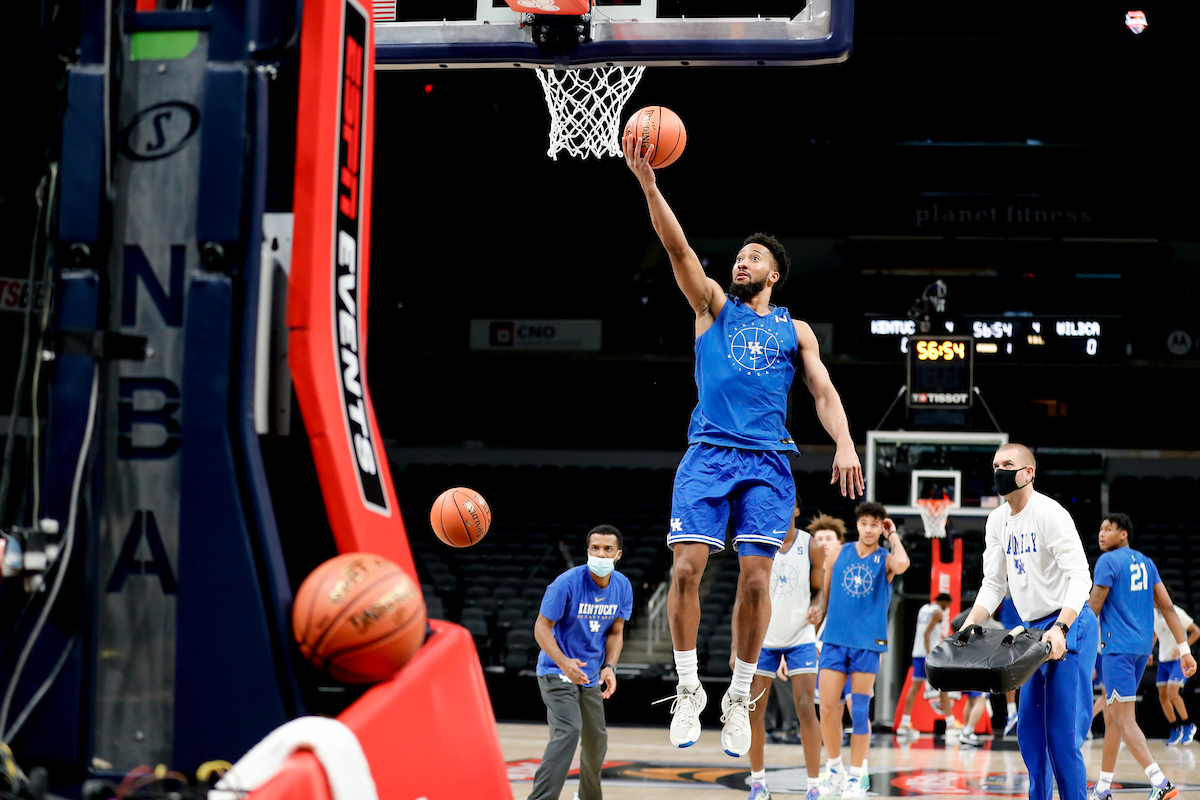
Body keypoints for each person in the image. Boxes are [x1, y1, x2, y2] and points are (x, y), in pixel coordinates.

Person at [623, 132, 864, 758]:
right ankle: (687, 687)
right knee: (684, 569)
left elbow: (824, 393)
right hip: (707, 452)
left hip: (768, 461)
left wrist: (844, 444)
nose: (742, 262)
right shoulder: (710, 307)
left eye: (754, 258)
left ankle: (737, 695)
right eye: (739, 255)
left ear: (774, 274)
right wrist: (650, 185)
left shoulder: (795, 329)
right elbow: (677, 247)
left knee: (756, 580)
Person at [958, 443, 1098, 800]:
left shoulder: (1049, 513)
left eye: (1007, 464)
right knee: (1031, 736)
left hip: (1071, 622)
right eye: (995, 465)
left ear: (1028, 472)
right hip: (1033, 629)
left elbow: (1081, 578)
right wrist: (969, 624)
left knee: (1062, 737)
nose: (999, 470)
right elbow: (993, 585)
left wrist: (1062, 628)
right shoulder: (996, 520)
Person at [1088, 512, 1196, 800]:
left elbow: (1094, 606)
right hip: (1140, 651)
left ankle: (1159, 781)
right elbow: (1169, 609)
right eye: (1100, 529)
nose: (1101, 533)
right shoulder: (1147, 563)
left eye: (1108, 529)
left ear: (1124, 534)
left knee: (1123, 719)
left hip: (1117, 649)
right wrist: (1185, 651)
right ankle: (1102, 787)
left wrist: (1072, 638)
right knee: (1113, 716)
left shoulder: (1107, 561)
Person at [530, 525, 633, 800]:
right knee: (569, 731)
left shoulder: (623, 586)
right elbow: (541, 628)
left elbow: (616, 632)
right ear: (587, 552)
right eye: (594, 548)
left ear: (618, 555)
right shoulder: (565, 583)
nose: (600, 554)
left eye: (607, 549)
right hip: (555, 671)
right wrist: (563, 662)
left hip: (588, 675)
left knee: (596, 741)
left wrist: (610, 666)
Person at [815, 502, 910, 799]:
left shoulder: (885, 559)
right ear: (857, 525)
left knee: (858, 712)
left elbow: (903, 563)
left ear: (881, 527)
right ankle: (834, 769)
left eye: (875, 524)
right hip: (834, 639)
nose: (869, 529)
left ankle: (855, 777)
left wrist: (893, 536)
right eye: (865, 523)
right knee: (828, 709)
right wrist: (818, 610)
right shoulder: (837, 554)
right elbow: (825, 595)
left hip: (867, 644)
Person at [736, 498, 826, 800]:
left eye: (789, 503)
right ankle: (758, 783)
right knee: (754, 712)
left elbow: (820, 590)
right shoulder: (757, 544)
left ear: (797, 509)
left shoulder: (810, 544)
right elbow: (741, 600)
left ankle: (814, 785)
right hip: (762, 639)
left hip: (800, 635)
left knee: (804, 707)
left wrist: (818, 606)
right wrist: (737, 645)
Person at [894, 593, 952, 738]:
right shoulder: (938, 612)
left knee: (914, 689)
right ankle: (951, 725)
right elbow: (927, 634)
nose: (946, 609)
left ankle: (904, 723)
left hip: (917, 652)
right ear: (944, 602)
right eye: (947, 606)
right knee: (942, 687)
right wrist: (929, 656)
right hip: (928, 655)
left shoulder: (923, 609)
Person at [1153, 600, 1200, 745]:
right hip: (1163, 659)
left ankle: (1188, 725)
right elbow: (1155, 633)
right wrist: (1149, 651)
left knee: (1172, 692)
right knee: (1163, 696)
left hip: (1178, 660)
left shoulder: (1176, 612)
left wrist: (1183, 649)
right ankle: (1175, 728)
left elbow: (1196, 631)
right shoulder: (1154, 615)